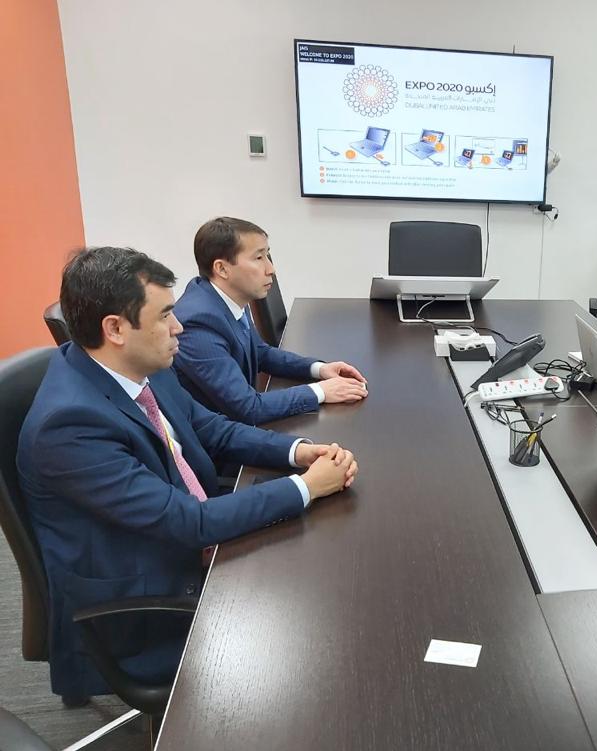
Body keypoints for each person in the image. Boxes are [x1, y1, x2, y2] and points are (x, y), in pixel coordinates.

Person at [17, 247, 358, 700]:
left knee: (325, 572)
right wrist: (306, 488)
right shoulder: (69, 426)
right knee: (315, 635)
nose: (179, 327)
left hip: (179, 541)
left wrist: (296, 453)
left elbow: (211, 428)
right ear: (115, 329)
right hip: (145, 609)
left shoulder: (139, 365)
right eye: (164, 316)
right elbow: (188, 523)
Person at [173, 217, 368, 425]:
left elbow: (260, 353)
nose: (271, 269)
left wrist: (318, 369)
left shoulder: (227, 297)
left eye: (267, 255)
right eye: (259, 258)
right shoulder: (197, 323)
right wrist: (319, 391)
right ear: (222, 269)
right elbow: (248, 407)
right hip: (215, 439)